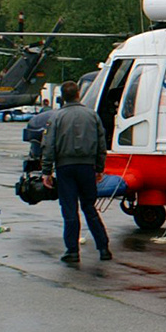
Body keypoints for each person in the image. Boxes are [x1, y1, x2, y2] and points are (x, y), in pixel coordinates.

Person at [42, 80, 112, 263]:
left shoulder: (57, 117)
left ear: (62, 98)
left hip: (65, 167)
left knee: (69, 209)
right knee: (89, 207)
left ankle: (72, 250)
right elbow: (101, 144)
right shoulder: (92, 116)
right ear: (78, 94)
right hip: (87, 166)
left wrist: (46, 171)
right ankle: (103, 247)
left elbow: (48, 145)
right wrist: (99, 167)